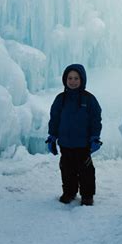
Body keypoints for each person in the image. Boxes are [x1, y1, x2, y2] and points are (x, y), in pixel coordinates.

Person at [46, 64, 102, 206]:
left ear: (82, 79)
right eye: (70, 78)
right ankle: (69, 192)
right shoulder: (61, 99)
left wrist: (95, 137)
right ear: (65, 80)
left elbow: (96, 119)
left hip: (83, 144)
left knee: (86, 171)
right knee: (67, 169)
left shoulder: (89, 99)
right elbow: (55, 119)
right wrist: (52, 137)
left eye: (76, 78)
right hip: (65, 143)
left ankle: (87, 195)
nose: (73, 81)